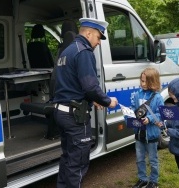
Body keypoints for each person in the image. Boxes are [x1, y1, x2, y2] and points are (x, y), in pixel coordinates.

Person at [53, 17, 118, 188]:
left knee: (68, 159)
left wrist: (92, 100)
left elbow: (72, 85)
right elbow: (90, 86)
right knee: (78, 164)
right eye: (98, 37)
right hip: (75, 117)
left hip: (61, 112)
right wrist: (106, 100)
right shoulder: (84, 51)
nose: (99, 43)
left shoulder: (66, 51)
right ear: (88, 33)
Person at [126, 67, 164, 188]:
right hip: (139, 133)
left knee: (153, 160)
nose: (142, 83)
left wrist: (150, 119)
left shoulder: (158, 97)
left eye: (145, 81)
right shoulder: (137, 94)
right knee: (139, 159)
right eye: (141, 81)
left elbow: (161, 115)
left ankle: (153, 181)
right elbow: (133, 108)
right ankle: (142, 179)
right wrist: (129, 116)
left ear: (153, 82)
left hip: (151, 134)